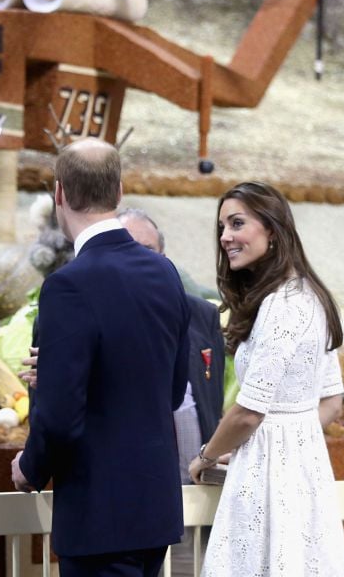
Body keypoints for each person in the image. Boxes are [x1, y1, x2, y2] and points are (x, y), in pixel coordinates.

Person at [10, 139, 190, 577]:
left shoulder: (68, 285)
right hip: (155, 510)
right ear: (120, 191)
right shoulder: (164, 272)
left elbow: (61, 418)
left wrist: (29, 467)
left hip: (100, 515)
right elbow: (171, 388)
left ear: (59, 194)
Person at [188, 181, 344, 576]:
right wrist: (288, 444)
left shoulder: (283, 305)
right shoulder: (309, 295)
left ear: (272, 231)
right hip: (302, 477)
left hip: (268, 481)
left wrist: (207, 456)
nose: (225, 236)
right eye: (222, 226)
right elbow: (331, 403)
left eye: (237, 223)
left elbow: (249, 413)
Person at [117, 207, 225, 577]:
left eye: (148, 249)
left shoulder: (202, 315)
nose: (139, 259)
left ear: (163, 256)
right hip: (132, 507)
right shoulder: (98, 318)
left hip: (198, 498)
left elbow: (212, 404)